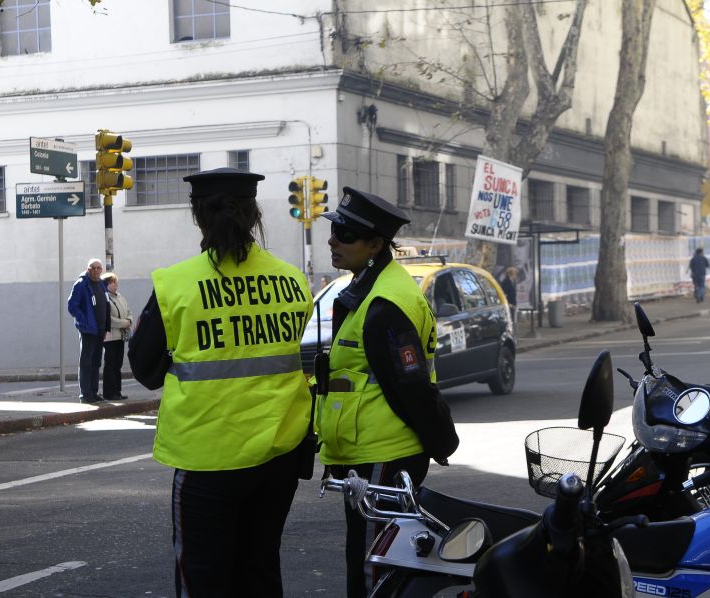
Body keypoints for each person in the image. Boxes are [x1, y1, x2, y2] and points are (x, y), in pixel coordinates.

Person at [127, 168, 313, 597]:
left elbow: (146, 370)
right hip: (279, 455)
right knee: (260, 570)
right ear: (253, 214)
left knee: (204, 577)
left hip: (208, 460)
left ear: (198, 216)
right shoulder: (291, 280)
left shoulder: (176, 283)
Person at [317, 186, 460, 598]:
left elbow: (411, 385)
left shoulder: (385, 304)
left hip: (382, 454)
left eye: (344, 234)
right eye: (334, 230)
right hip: (365, 451)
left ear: (376, 245)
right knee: (374, 556)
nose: (332, 239)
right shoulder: (369, 288)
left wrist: (439, 440)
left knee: (373, 565)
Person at [67, 258, 109, 403]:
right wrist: (83, 321)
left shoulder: (102, 285)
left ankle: (93, 392)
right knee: (86, 362)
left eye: (99, 268)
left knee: (96, 362)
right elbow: (72, 306)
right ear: (88, 269)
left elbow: (106, 305)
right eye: (94, 268)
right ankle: (85, 394)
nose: (97, 270)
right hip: (88, 330)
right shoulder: (81, 284)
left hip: (100, 330)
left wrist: (105, 327)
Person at [101, 272, 132, 400]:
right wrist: (125, 323)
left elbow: (128, 311)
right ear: (106, 284)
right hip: (110, 337)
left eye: (116, 282)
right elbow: (109, 319)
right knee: (110, 365)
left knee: (118, 365)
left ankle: (117, 391)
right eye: (113, 282)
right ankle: (109, 393)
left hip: (120, 337)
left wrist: (129, 320)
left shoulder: (120, 297)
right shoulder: (105, 298)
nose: (116, 284)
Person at [500, 266, 519, 333]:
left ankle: (513, 335)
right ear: (512, 274)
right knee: (510, 321)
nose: (516, 276)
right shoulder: (506, 282)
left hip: (512, 304)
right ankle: (510, 335)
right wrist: (508, 303)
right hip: (509, 305)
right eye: (515, 274)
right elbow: (503, 294)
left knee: (513, 321)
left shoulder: (512, 281)